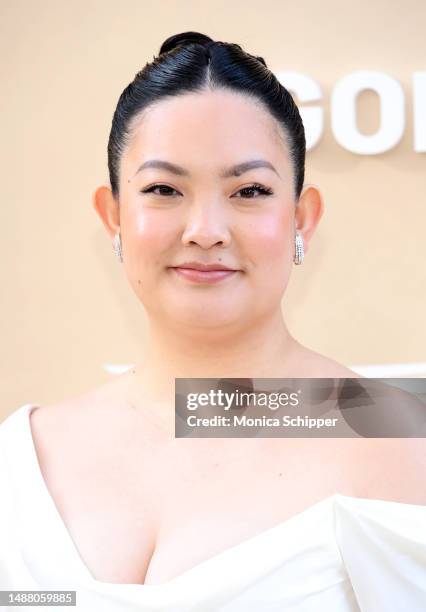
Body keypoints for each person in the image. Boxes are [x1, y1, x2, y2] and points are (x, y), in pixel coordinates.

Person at [1, 31, 425, 611]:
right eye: (163, 189)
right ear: (113, 217)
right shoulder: (24, 455)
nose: (205, 229)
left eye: (249, 190)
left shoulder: (398, 446)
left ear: (302, 218)